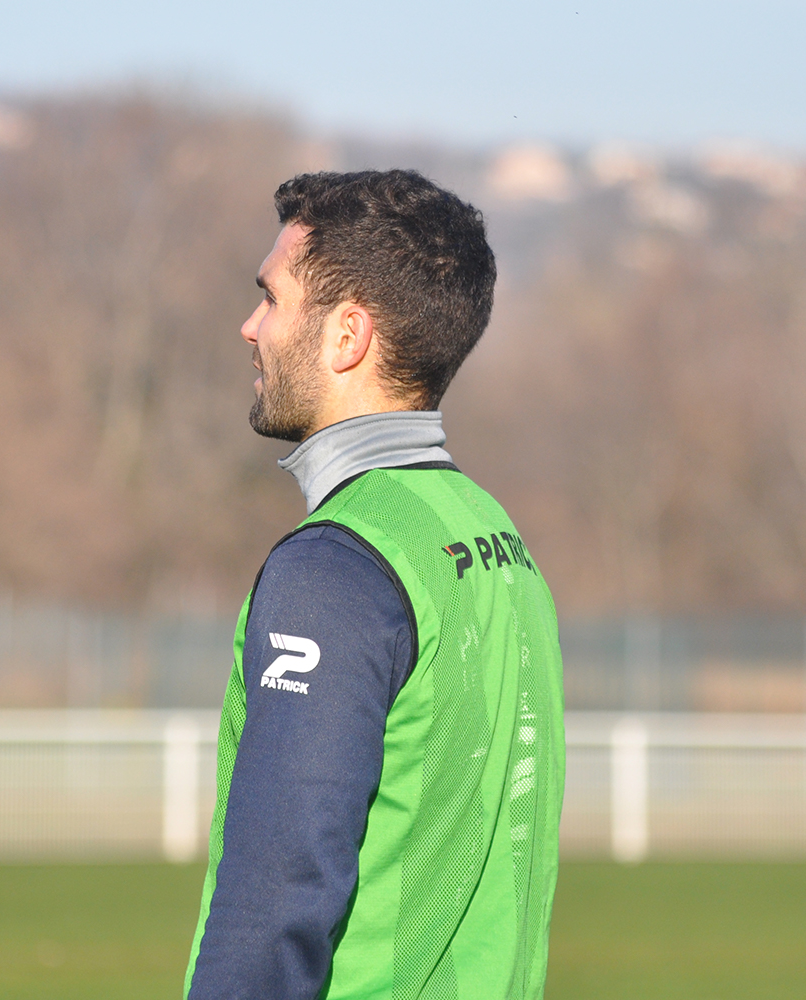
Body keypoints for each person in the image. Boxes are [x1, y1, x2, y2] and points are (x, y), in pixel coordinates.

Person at [182, 170, 565, 1000]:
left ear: (346, 335)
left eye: (272, 299)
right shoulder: (496, 537)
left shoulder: (335, 567)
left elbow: (276, 904)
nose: (250, 327)